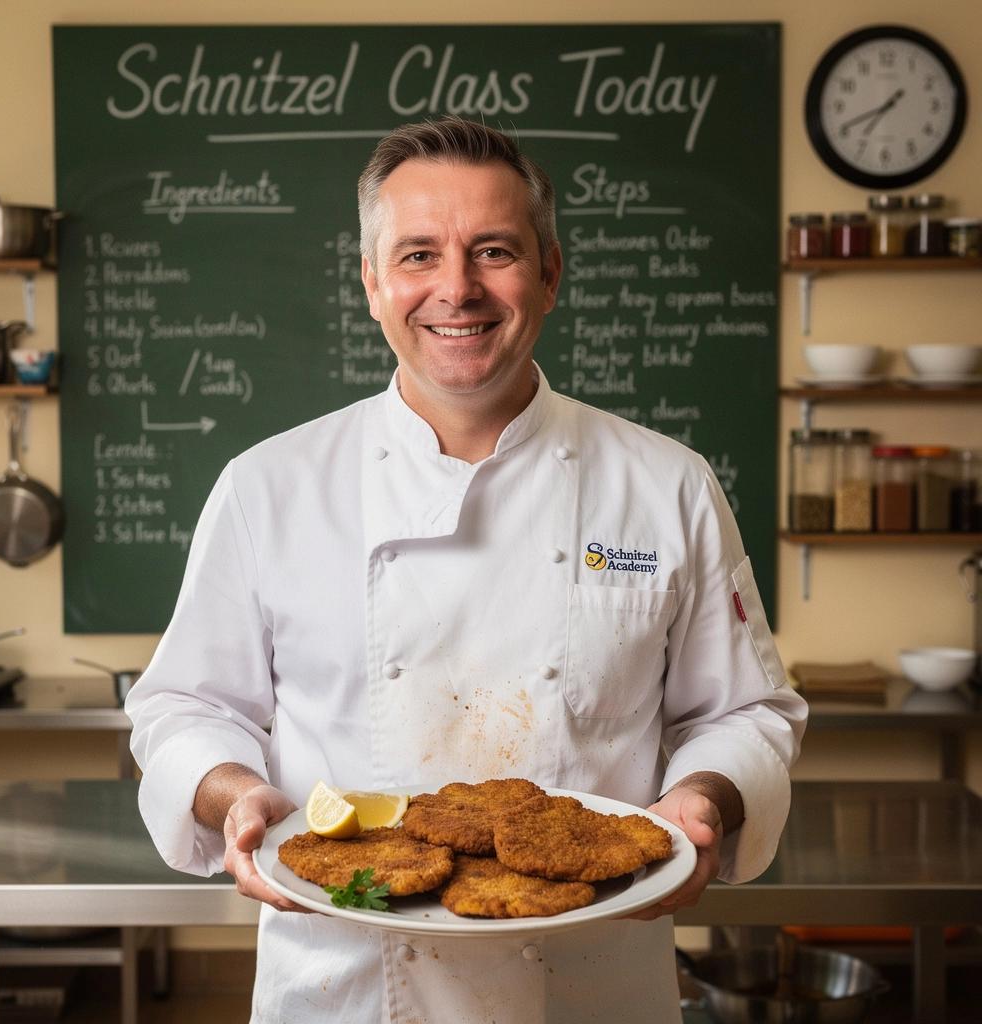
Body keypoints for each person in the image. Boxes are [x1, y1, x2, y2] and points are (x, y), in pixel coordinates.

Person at [126, 116, 807, 1023]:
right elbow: (184, 707)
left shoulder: (666, 485)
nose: (457, 289)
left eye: (493, 251)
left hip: (590, 981)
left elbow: (744, 711)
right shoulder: (268, 488)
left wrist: (704, 797)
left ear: (551, 273)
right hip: (347, 985)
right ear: (371, 282)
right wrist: (235, 793)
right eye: (417, 255)